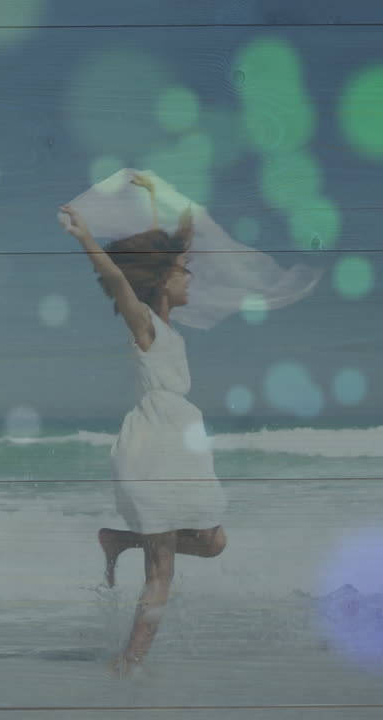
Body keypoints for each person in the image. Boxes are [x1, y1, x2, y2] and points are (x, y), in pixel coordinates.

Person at [58, 172, 228, 676]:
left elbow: (172, 248)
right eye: (183, 273)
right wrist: (87, 237)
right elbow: (117, 279)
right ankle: (127, 664)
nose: (190, 278)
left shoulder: (167, 327)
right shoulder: (146, 325)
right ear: (161, 282)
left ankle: (117, 539)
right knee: (163, 569)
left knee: (213, 541)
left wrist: (158, 200)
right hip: (155, 445)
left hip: (179, 443)